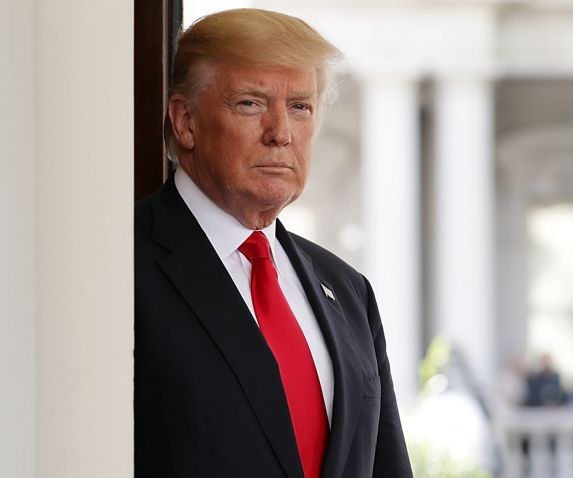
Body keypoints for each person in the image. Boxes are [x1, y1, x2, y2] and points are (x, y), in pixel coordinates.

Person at [135, 9, 412, 478]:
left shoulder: (348, 291)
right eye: (251, 103)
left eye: (300, 107)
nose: (280, 133)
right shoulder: (120, 264)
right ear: (185, 122)